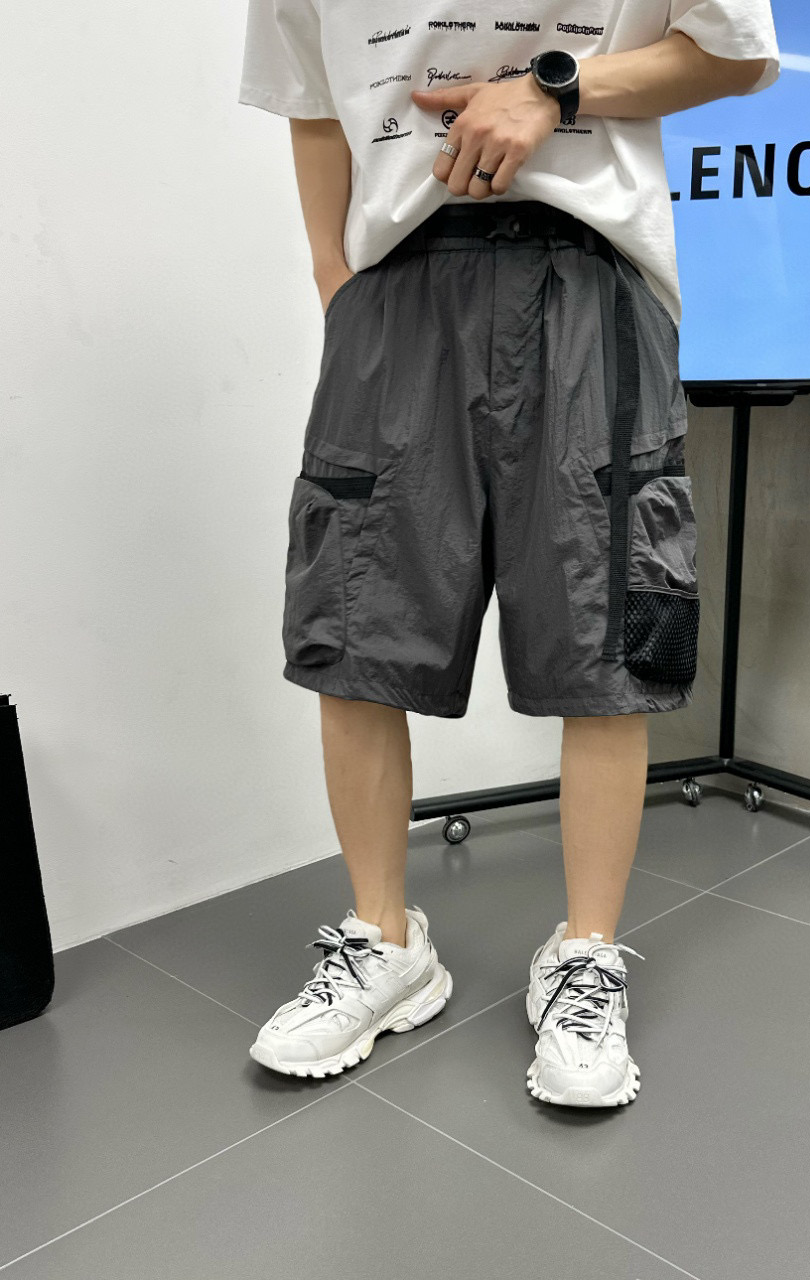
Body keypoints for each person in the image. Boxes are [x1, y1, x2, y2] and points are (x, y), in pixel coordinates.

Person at [237, 0, 779, 1107]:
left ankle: (585, 953)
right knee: (356, 617)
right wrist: (335, 279)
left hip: (588, 276)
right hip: (396, 286)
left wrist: (556, 89)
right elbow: (312, 102)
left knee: (611, 629)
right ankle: (385, 941)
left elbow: (732, 52)